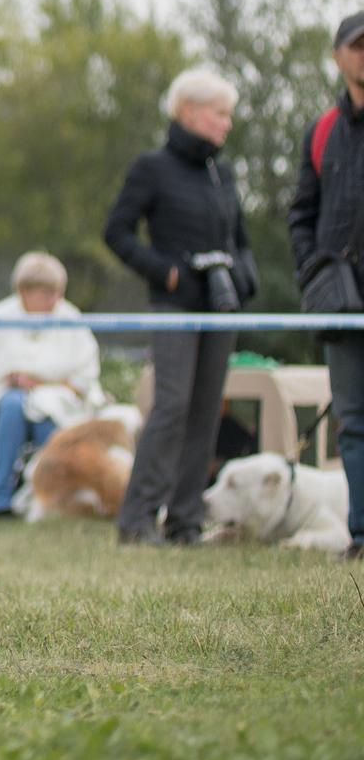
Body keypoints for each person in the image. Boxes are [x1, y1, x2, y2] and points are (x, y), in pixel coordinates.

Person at [105, 66, 256, 547]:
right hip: (174, 305)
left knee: (207, 411)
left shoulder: (223, 172)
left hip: (220, 308)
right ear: (189, 112)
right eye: (220, 113)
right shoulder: (152, 167)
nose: (227, 124)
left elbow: (241, 239)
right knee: (171, 405)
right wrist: (165, 270)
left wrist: (241, 277)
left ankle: (185, 521)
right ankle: (136, 519)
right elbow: (117, 233)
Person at [0, 251, 107, 516]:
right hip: (8, 406)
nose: (53, 301)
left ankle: (42, 498)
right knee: (12, 406)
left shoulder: (70, 318)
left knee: (42, 414)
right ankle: (0, 500)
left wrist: (40, 383)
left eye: (56, 293)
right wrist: (11, 380)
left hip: (58, 407)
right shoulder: (0, 316)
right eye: (44, 293)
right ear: (23, 291)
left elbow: (83, 380)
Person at [288, 9, 364, 561]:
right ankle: (361, 537)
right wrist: (313, 272)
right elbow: (301, 213)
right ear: (339, 55)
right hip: (342, 301)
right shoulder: (321, 132)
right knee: (354, 423)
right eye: (357, 46)